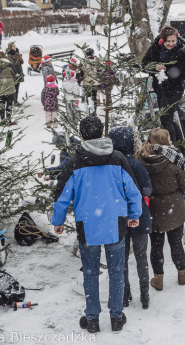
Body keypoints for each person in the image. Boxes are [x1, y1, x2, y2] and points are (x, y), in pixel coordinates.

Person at [52, 116, 142, 335]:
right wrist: (134, 214)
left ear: (83, 134)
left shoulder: (76, 162)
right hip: (116, 223)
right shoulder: (118, 158)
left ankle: (92, 319)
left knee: (90, 272)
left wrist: (58, 220)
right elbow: (133, 190)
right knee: (116, 271)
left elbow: (62, 195)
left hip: (88, 224)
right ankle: (116, 317)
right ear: (102, 132)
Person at [137, 129, 185, 291]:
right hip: (173, 207)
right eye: (168, 138)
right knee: (176, 243)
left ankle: (158, 279)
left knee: (156, 245)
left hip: (153, 208)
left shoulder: (142, 160)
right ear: (162, 141)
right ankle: (182, 274)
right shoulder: (173, 159)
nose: (171, 141)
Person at [108, 126, 152, 310]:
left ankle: (125, 295)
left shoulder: (110, 165)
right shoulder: (136, 164)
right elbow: (147, 189)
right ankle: (145, 296)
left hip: (119, 219)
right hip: (139, 216)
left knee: (122, 258)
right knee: (141, 256)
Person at [142, 26, 185, 144]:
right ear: (162, 40)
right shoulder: (155, 47)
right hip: (159, 87)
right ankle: (181, 145)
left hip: (174, 88)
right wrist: (155, 67)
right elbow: (144, 63)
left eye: (173, 41)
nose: (171, 44)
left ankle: (171, 144)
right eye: (168, 41)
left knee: (165, 118)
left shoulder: (181, 51)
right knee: (169, 118)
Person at [0, 51, 18, 124]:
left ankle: (2, 119)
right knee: (9, 105)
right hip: (9, 87)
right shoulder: (9, 65)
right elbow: (15, 74)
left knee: (1, 105)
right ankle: (8, 120)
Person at [79, 48, 100, 113]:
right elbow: (100, 69)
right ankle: (94, 112)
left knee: (88, 97)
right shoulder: (96, 61)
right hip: (94, 82)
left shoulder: (83, 62)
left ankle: (88, 111)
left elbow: (81, 71)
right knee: (94, 98)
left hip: (86, 82)